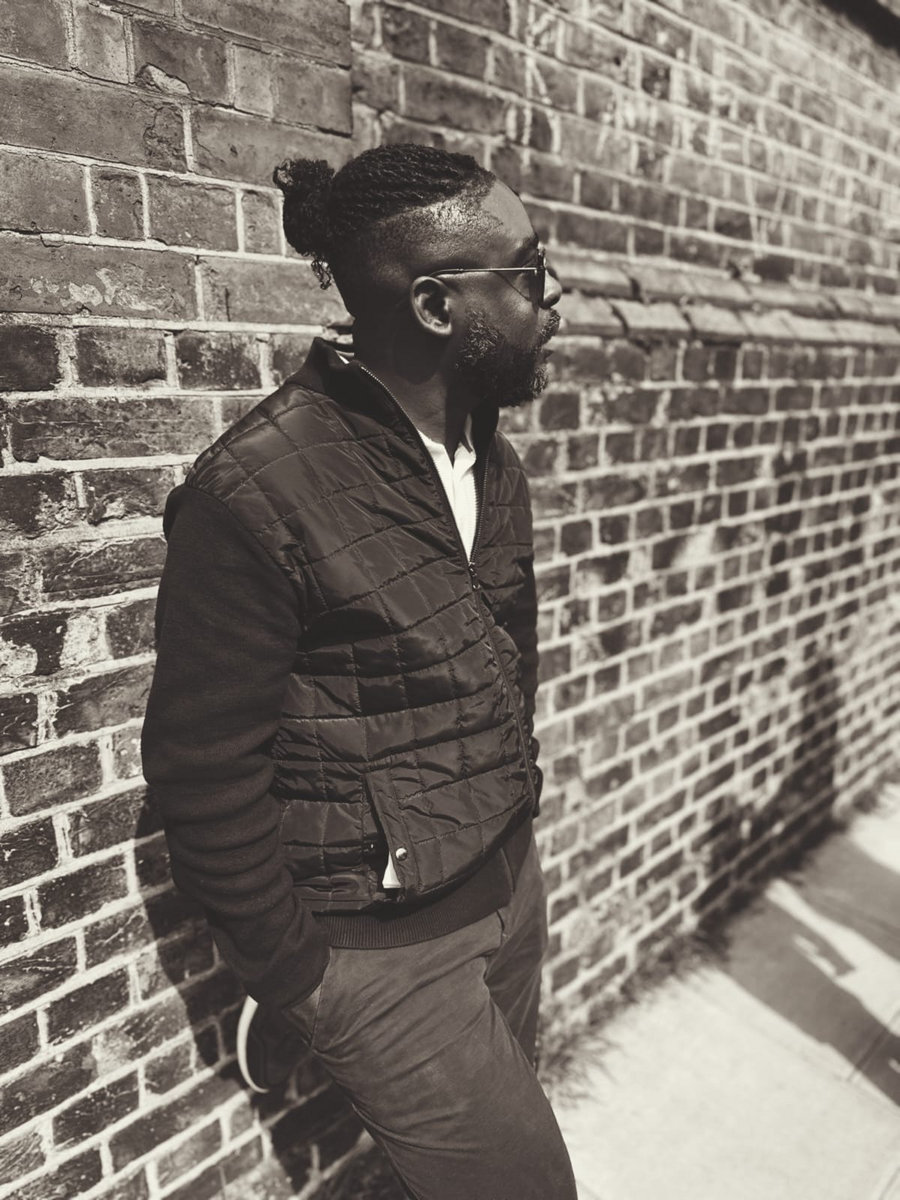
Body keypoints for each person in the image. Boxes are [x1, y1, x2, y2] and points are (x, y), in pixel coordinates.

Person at [141, 142, 576, 1200]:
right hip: (381, 954)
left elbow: (502, 662)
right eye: (528, 272)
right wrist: (300, 972)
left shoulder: (489, 457)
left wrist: (517, 826)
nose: (553, 293)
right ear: (435, 305)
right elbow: (202, 767)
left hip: (507, 889)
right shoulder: (254, 493)